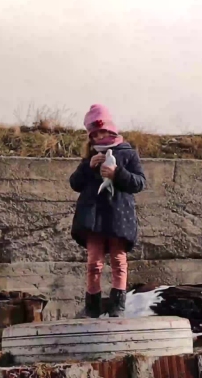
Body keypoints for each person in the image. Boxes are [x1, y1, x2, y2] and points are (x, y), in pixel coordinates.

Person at [69, 104, 146, 318]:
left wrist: (117, 173)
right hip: (93, 218)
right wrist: (88, 167)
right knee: (94, 262)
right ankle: (92, 306)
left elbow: (139, 183)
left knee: (118, 260)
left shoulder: (128, 153)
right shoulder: (90, 156)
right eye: (94, 134)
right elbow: (74, 183)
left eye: (102, 131)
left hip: (118, 216)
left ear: (111, 130)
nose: (99, 137)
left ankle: (117, 305)